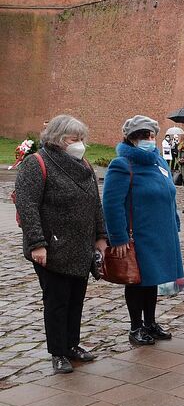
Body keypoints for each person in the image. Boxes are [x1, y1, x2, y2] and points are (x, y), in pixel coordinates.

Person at [14, 115, 106, 374]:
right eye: (73, 139)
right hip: (52, 247)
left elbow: (95, 204)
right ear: (57, 139)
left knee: (76, 298)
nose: (79, 144)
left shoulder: (83, 164)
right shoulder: (37, 163)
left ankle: (71, 344)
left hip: (80, 246)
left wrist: (101, 236)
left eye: (81, 139)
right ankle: (58, 352)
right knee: (56, 301)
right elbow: (28, 205)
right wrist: (37, 244)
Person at [103, 115, 184, 346]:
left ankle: (150, 322)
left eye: (151, 135)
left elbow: (170, 195)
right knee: (137, 281)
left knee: (153, 280)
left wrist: (175, 222)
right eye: (142, 136)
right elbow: (111, 204)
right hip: (138, 235)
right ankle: (136, 327)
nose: (148, 140)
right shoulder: (122, 165)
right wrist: (118, 238)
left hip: (162, 234)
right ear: (130, 139)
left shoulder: (159, 162)